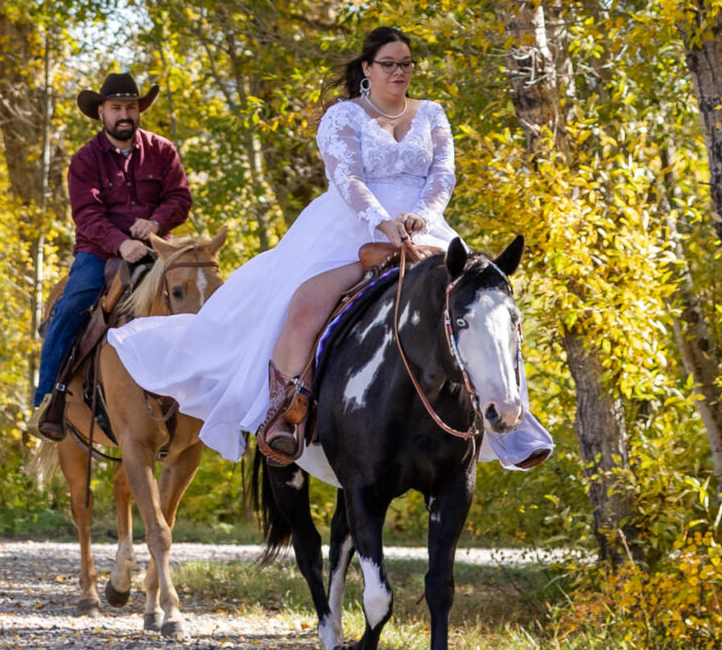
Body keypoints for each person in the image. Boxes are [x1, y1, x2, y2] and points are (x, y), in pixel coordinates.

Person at [107, 27, 552, 472]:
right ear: (367, 68)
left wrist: (419, 215)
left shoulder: (432, 114)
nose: (399, 72)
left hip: (424, 226)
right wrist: (384, 222)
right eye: (389, 64)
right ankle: (288, 413)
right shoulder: (343, 117)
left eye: (406, 64)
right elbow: (348, 178)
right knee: (303, 306)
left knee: (488, 302)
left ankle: (511, 417)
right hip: (350, 226)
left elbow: (443, 176)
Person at [29, 72, 192, 441]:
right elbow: (86, 214)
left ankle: (217, 391)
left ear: (139, 111)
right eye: (116, 107)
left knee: (200, 291)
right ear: (101, 112)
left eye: (131, 107)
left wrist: (154, 222)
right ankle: (48, 398)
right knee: (72, 305)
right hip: (99, 252)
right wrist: (121, 243)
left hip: (158, 246)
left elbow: (179, 199)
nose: (125, 114)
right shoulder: (85, 159)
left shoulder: (162, 150)